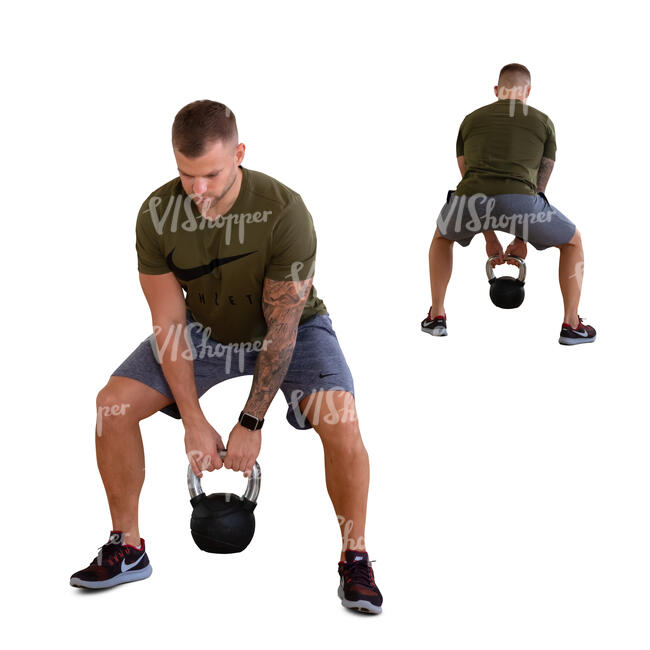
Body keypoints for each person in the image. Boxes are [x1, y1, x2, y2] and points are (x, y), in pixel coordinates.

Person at [69, 100, 383, 614]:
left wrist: (251, 421)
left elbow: (281, 330)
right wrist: (192, 421)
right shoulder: (156, 215)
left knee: (342, 418)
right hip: (208, 330)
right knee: (113, 404)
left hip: (293, 329)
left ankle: (356, 557)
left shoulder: (284, 211)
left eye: (212, 174)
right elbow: (169, 323)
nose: (198, 190)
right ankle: (127, 546)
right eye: (186, 175)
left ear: (238, 154)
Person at [422, 63, 596, 345]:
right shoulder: (542, 121)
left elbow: (471, 177)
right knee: (573, 241)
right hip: (522, 202)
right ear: (527, 92)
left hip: (469, 200)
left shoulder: (470, 120)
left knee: (442, 237)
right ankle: (572, 325)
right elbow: (539, 187)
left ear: (496, 91)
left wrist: (488, 237)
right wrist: (521, 235)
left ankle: (436, 316)